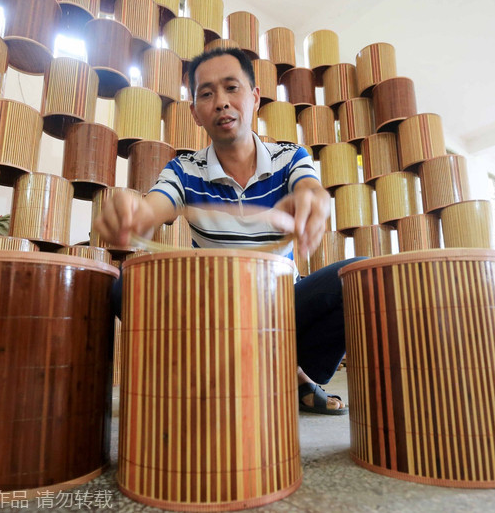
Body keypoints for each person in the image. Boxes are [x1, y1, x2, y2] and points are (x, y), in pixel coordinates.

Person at [94, 47, 363, 415]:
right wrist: (133, 212)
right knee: (127, 285)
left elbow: (309, 189)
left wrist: (313, 200)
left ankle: (291, 373)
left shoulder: (291, 157)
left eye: (231, 88)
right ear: (195, 112)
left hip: (280, 308)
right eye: (206, 93)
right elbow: (153, 205)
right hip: (210, 317)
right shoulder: (183, 169)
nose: (221, 102)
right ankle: (215, 377)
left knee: (357, 275)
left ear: (254, 98)